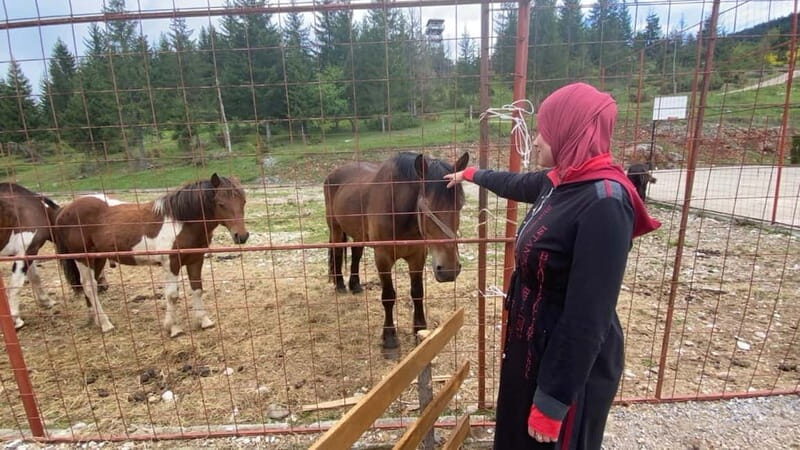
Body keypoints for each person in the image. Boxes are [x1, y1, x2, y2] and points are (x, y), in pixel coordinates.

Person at [445, 82, 661, 449]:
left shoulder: (604, 203)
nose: (539, 139)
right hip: (531, 348)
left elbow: (587, 317)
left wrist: (553, 400)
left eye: (546, 129)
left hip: (566, 367)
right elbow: (514, 183)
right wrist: (470, 175)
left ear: (570, 131)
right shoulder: (563, 181)